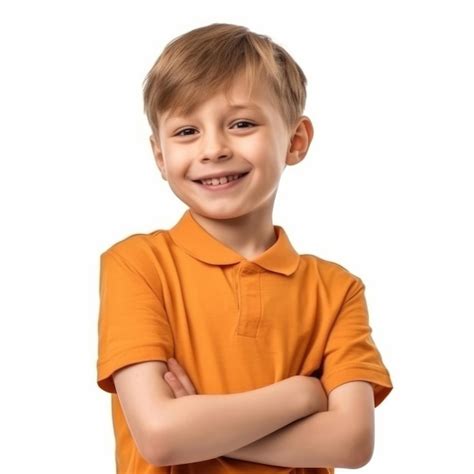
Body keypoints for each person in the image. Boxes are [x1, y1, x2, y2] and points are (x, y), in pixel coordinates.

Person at [96, 22, 393, 474]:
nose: (213, 149)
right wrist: (302, 395)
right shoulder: (137, 265)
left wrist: (203, 425)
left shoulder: (337, 290)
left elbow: (351, 443)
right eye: (186, 131)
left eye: (241, 124)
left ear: (295, 140)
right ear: (160, 157)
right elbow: (161, 436)